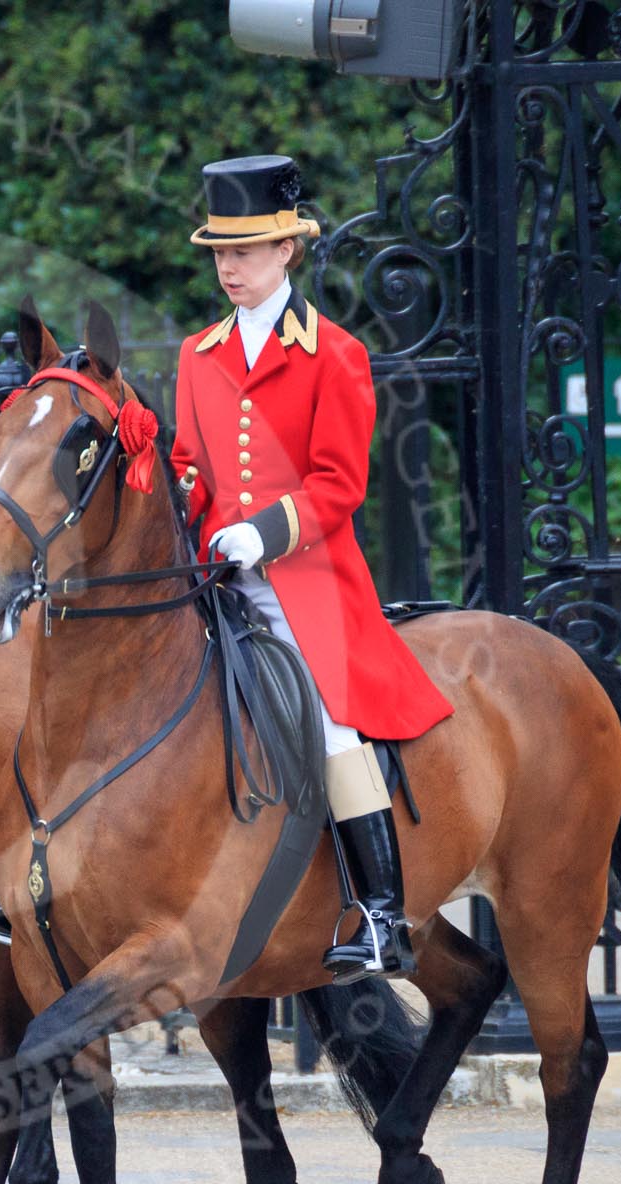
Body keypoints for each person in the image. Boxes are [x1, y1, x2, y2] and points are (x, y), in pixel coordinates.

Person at [169, 154, 454, 983]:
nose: (230, 268)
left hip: (306, 584)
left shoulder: (335, 353)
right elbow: (190, 462)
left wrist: (264, 531)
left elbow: (339, 484)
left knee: (328, 724)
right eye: (220, 253)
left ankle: (382, 914)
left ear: (288, 250)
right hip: (217, 577)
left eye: (247, 250)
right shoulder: (198, 354)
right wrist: (186, 513)